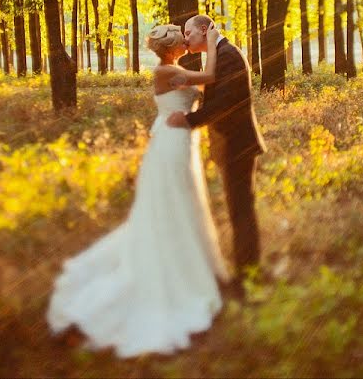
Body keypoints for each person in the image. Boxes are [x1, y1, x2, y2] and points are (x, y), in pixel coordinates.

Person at [47, 24, 228, 358]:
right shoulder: (166, 71)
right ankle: (170, 272)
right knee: (171, 204)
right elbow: (212, 77)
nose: (186, 40)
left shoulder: (174, 69)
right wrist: (214, 40)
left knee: (181, 204)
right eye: (182, 37)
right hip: (172, 143)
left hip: (180, 139)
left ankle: (186, 259)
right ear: (173, 45)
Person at [167, 15, 266, 284]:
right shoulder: (219, 55)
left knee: (241, 210)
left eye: (188, 33)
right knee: (238, 208)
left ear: (203, 29)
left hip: (238, 145)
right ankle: (247, 272)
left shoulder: (228, 56)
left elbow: (224, 102)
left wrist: (188, 121)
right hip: (231, 144)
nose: (186, 39)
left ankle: (248, 277)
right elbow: (215, 91)